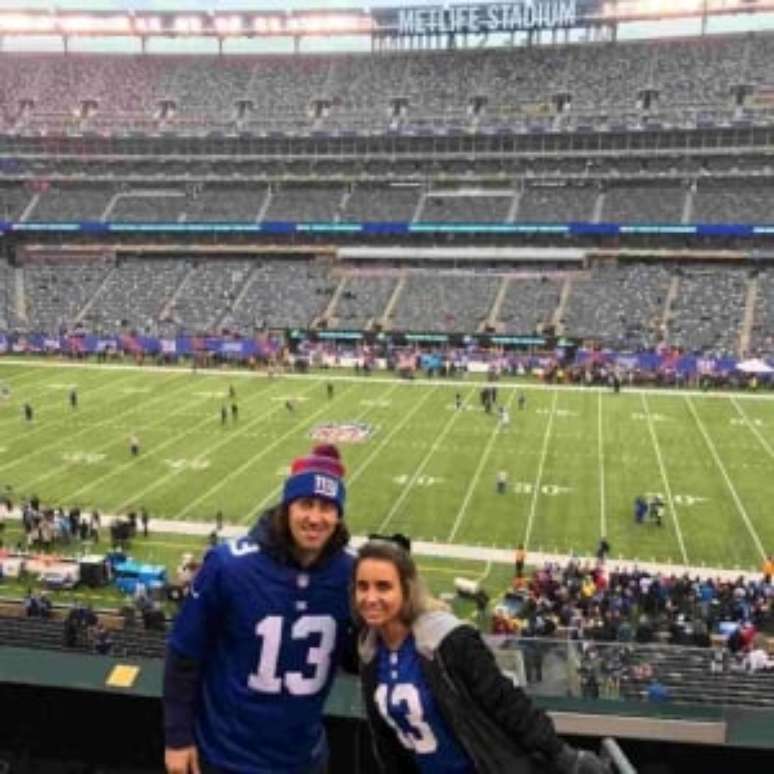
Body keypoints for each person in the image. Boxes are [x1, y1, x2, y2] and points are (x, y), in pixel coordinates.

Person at [163, 444, 355, 774]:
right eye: (306, 504)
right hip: (227, 756)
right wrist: (177, 738)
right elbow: (184, 654)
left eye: (327, 507)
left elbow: (362, 652)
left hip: (303, 758)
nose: (315, 517)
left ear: (338, 515)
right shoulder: (230, 565)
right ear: (287, 507)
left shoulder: (350, 573)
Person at [353, 538, 610, 774]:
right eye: (362, 587)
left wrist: (560, 754)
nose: (370, 597)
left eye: (383, 586)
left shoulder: (447, 639)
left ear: (407, 590)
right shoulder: (370, 652)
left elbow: (506, 701)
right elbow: (387, 743)